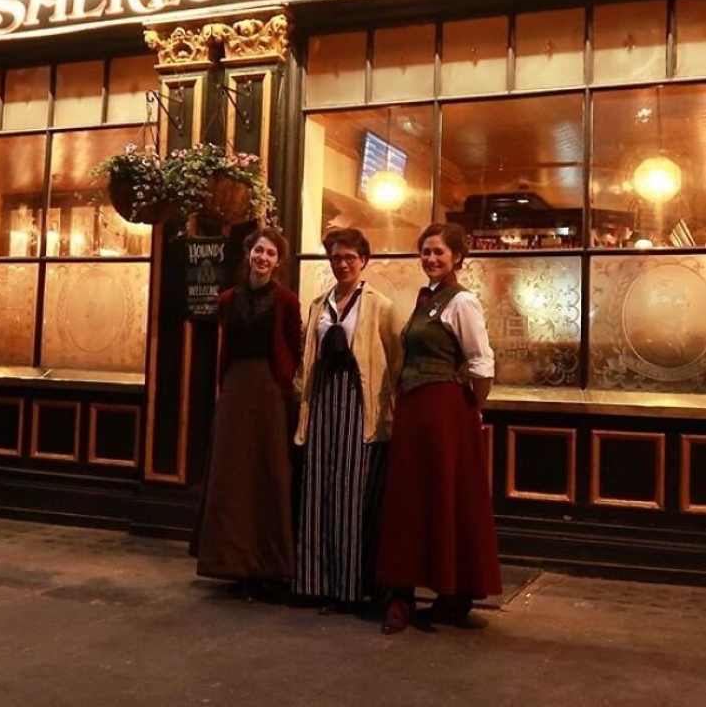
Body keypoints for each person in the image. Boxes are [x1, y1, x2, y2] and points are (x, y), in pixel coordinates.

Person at [377, 222, 501, 634]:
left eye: (439, 253)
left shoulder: (462, 302)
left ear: (457, 258)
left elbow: (482, 363)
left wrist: (469, 411)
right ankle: (401, 592)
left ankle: (453, 593)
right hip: (414, 411)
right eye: (426, 252)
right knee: (409, 501)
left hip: (446, 412)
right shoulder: (424, 298)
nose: (431, 259)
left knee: (444, 497)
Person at [294, 227, 402, 614]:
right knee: (319, 493)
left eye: (349, 258)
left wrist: (391, 411)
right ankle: (317, 584)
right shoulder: (318, 304)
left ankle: (351, 589)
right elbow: (306, 357)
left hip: (360, 407)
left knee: (352, 498)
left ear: (364, 261)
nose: (342, 264)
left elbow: (396, 360)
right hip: (323, 404)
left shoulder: (381, 306)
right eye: (336, 258)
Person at [191, 226, 303, 598]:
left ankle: (268, 564)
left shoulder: (287, 301)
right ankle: (230, 561)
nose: (263, 258)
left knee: (268, 471)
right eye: (259, 250)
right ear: (248, 254)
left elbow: (293, 348)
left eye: (271, 253)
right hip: (237, 388)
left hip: (269, 390)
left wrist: (284, 385)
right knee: (233, 473)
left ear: (278, 261)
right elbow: (224, 347)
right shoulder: (226, 300)